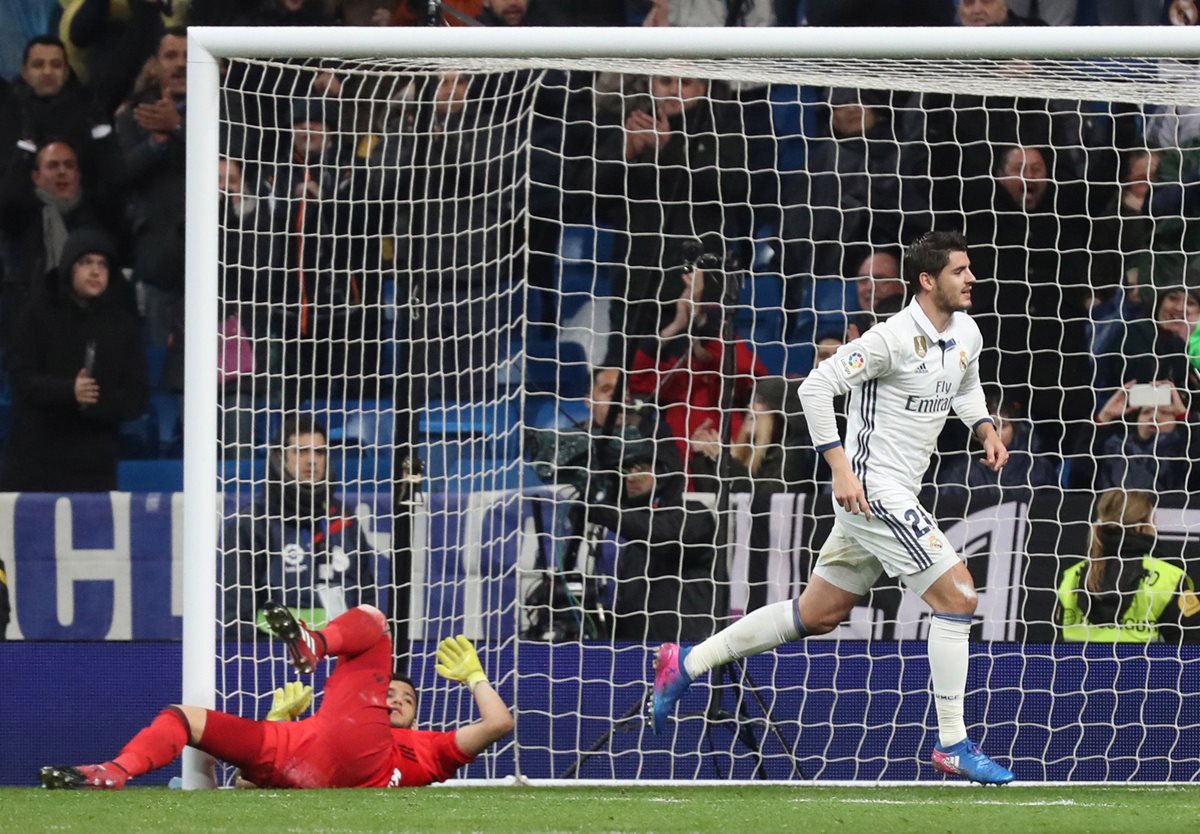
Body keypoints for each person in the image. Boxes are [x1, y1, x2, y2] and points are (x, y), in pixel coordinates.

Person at [651, 231, 1016, 785]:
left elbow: (964, 384)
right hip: (872, 489)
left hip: (892, 495)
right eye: (960, 271)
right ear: (927, 280)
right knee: (960, 597)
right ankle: (953, 744)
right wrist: (841, 468)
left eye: (969, 269)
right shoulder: (890, 338)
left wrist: (984, 426)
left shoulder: (966, 331)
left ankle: (688, 663)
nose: (971, 279)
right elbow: (814, 388)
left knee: (816, 614)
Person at [39, 605, 514, 789]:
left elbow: (498, 725)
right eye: (385, 690)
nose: (390, 698)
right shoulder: (340, 712)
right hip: (300, 748)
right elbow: (248, 792)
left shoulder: (428, 748)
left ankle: (317, 643)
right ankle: (117, 770)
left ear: (416, 718)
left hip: (365, 762)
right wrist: (274, 719)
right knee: (185, 718)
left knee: (373, 618)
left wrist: (474, 676)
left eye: (403, 699)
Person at [0, 228, 148, 492]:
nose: (95, 271)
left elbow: (136, 398)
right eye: (86, 262)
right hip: (34, 462)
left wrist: (93, 400)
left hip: (94, 467)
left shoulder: (123, 326)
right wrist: (69, 391)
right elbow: (21, 379)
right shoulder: (36, 314)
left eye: (102, 264)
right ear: (69, 266)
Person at [223, 414, 380, 639]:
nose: (312, 460)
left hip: (340, 654)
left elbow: (367, 601)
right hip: (273, 656)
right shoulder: (252, 522)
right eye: (301, 451)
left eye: (319, 452)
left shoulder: (345, 519)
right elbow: (238, 617)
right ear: (280, 457)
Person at [115, 26, 187, 348]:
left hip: (220, 266)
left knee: (222, 374)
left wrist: (179, 128)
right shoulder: (133, 116)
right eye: (171, 56)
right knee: (160, 369)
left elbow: (231, 161)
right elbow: (120, 175)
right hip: (159, 263)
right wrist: (156, 144)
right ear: (154, 65)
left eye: (190, 57)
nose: (181, 64)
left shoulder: (230, 113)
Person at [1058, 489, 1200, 643]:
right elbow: (1193, 648)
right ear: (1140, 527)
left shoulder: (1071, 578)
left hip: (1078, 667)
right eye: (1153, 521)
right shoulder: (1168, 579)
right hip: (1146, 667)